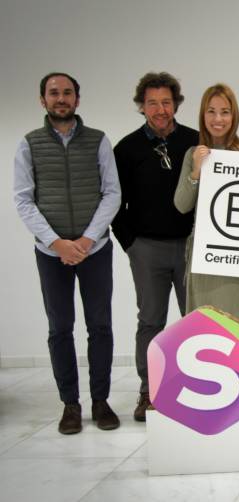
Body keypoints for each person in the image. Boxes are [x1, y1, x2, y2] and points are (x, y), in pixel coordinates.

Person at [14, 72, 121, 434]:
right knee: (60, 328)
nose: (61, 98)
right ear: (42, 99)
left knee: (100, 326)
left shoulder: (98, 141)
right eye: (54, 93)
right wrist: (56, 242)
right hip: (51, 253)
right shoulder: (29, 144)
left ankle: (101, 401)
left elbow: (112, 193)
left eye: (67, 92)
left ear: (77, 98)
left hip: (96, 250)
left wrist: (87, 240)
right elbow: (24, 200)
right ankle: (70, 405)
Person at [112, 72, 199, 421]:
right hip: (146, 248)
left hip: (190, 247)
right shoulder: (127, 149)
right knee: (150, 321)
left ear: (175, 104)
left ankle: (197, 388)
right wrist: (131, 243)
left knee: (195, 320)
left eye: (166, 102)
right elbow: (115, 201)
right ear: (141, 106)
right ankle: (150, 390)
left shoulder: (195, 142)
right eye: (152, 103)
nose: (160, 109)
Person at [174, 83, 239, 326]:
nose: (218, 119)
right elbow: (181, 205)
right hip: (206, 256)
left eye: (225, 111)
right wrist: (197, 171)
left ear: (234, 115)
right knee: (205, 328)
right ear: (203, 115)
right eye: (211, 111)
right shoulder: (194, 153)